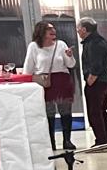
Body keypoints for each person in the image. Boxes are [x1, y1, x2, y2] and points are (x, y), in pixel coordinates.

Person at [24, 21, 76, 150]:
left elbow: (70, 64)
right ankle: (50, 141)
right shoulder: (34, 46)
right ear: (41, 31)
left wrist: (70, 56)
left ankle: (67, 140)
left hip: (62, 81)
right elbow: (28, 67)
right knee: (48, 113)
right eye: (49, 29)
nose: (53, 30)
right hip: (44, 81)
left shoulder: (61, 44)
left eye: (53, 28)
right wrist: (26, 80)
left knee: (65, 112)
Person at [75, 18, 107, 147]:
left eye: (78, 29)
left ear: (84, 29)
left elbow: (96, 65)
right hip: (104, 81)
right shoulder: (100, 41)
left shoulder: (94, 43)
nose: (77, 31)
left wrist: (90, 80)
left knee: (95, 112)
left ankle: (101, 141)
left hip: (97, 83)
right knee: (104, 110)